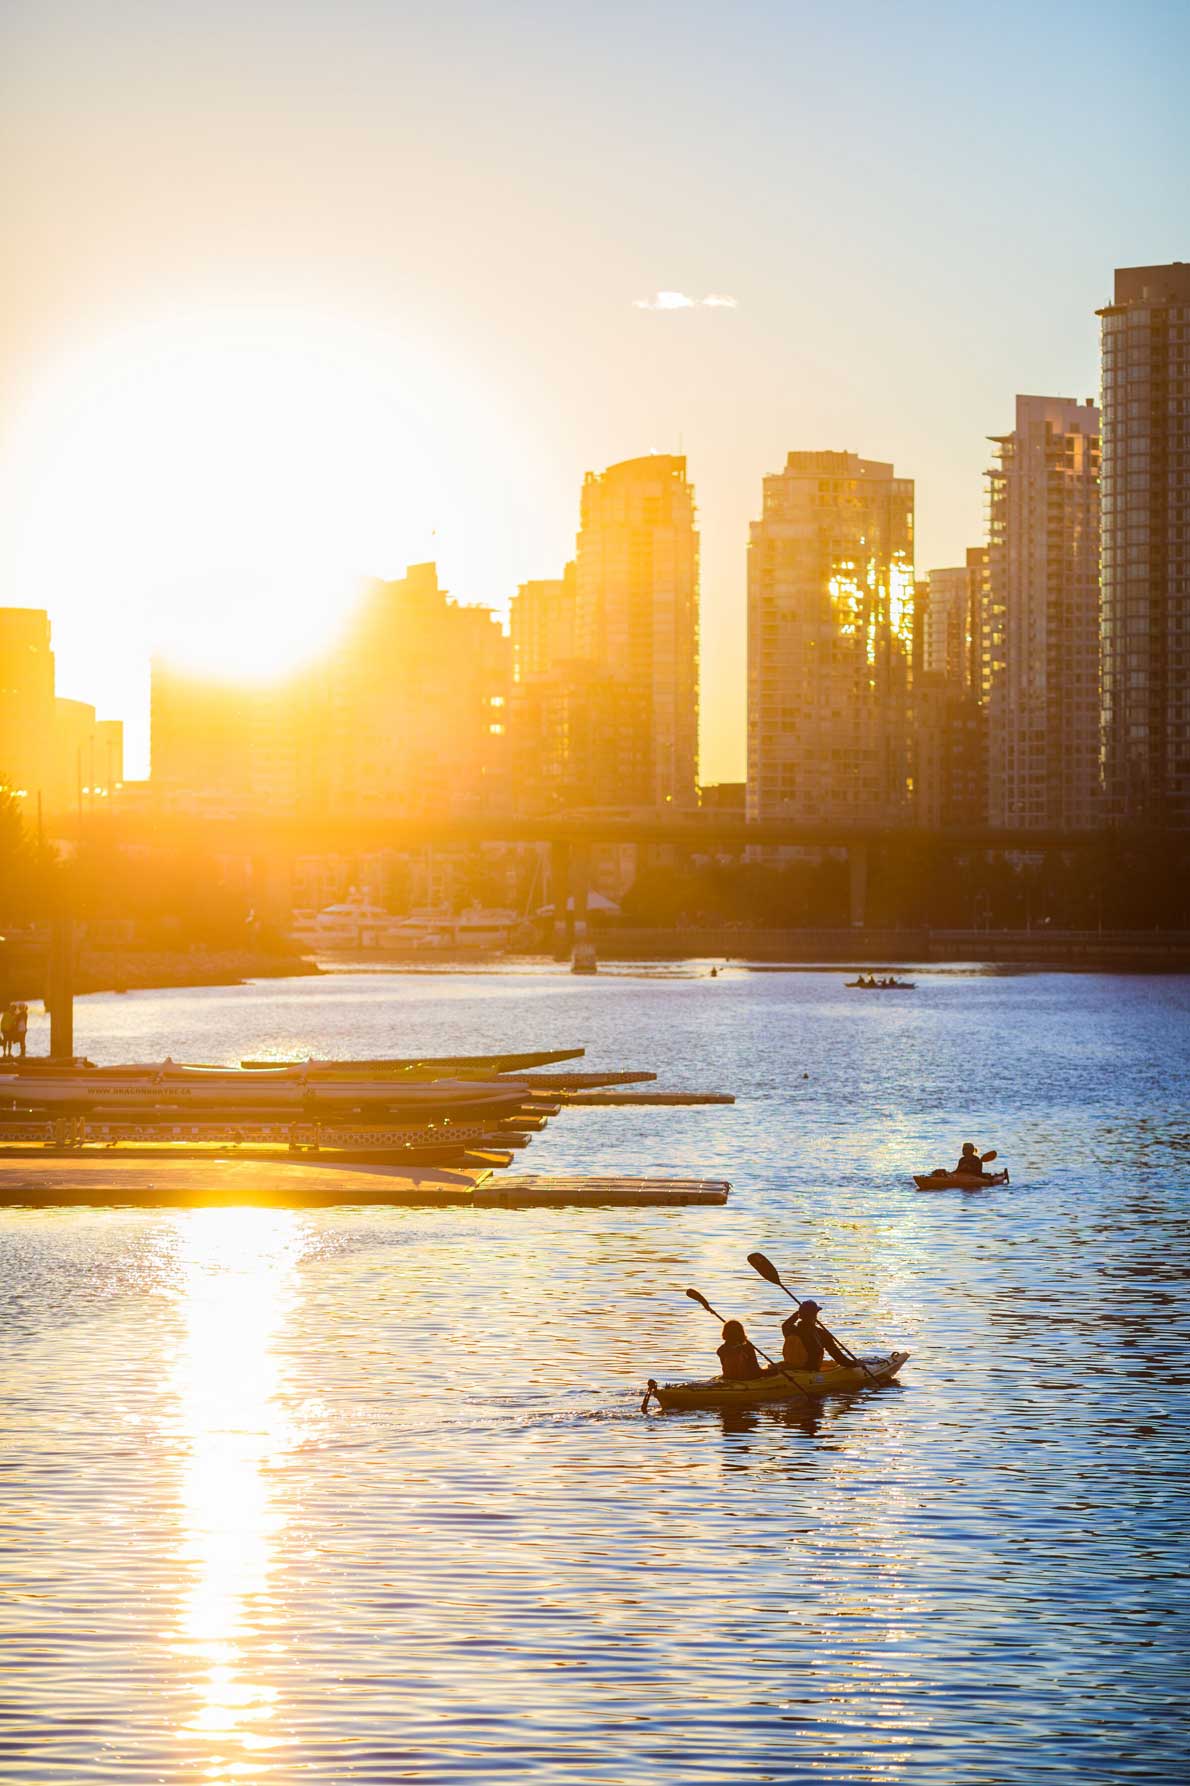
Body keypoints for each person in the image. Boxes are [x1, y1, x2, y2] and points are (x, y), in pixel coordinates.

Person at [780, 1301, 849, 1372]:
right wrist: (854, 1364)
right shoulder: (821, 1334)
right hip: (810, 1371)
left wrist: (799, 1313)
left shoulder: (790, 1330)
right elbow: (839, 1357)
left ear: (800, 1315)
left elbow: (786, 1324)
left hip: (792, 1369)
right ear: (815, 1315)